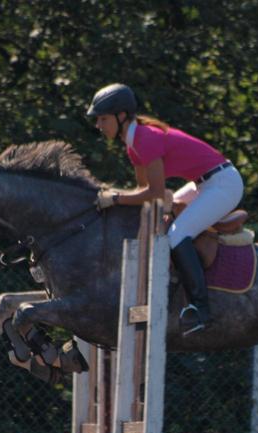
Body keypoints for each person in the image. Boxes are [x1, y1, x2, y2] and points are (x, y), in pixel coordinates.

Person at [87, 83, 244, 336]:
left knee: (177, 235)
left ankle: (201, 310)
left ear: (121, 116)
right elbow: (144, 193)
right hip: (203, 183)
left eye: (103, 119)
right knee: (165, 221)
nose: (98, 125)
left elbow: (155, 194)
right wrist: (115, 196)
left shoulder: (144, 139)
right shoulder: (133, 144)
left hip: (224, 184)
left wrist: (115, 198)